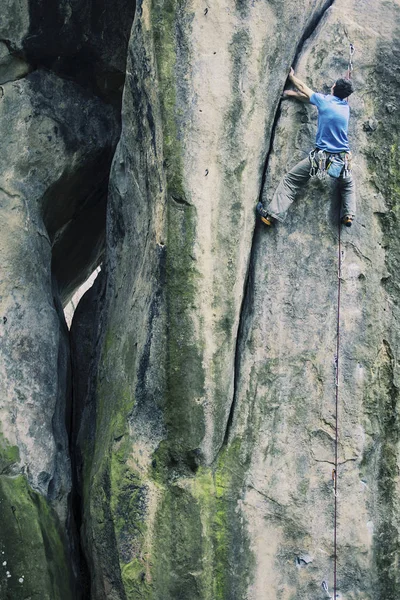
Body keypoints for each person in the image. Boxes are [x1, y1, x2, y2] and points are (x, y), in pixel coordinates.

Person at [257, 68, 356, 227]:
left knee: (290, 181)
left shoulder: (325, 101)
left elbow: (304, 88)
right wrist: (292, 95)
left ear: (333, 87)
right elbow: (311, 99)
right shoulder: (345, 107)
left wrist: (291, 77)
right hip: (342, 158)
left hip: (322, 158)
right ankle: (348, 215)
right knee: (348, 185)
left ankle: (271, 215)